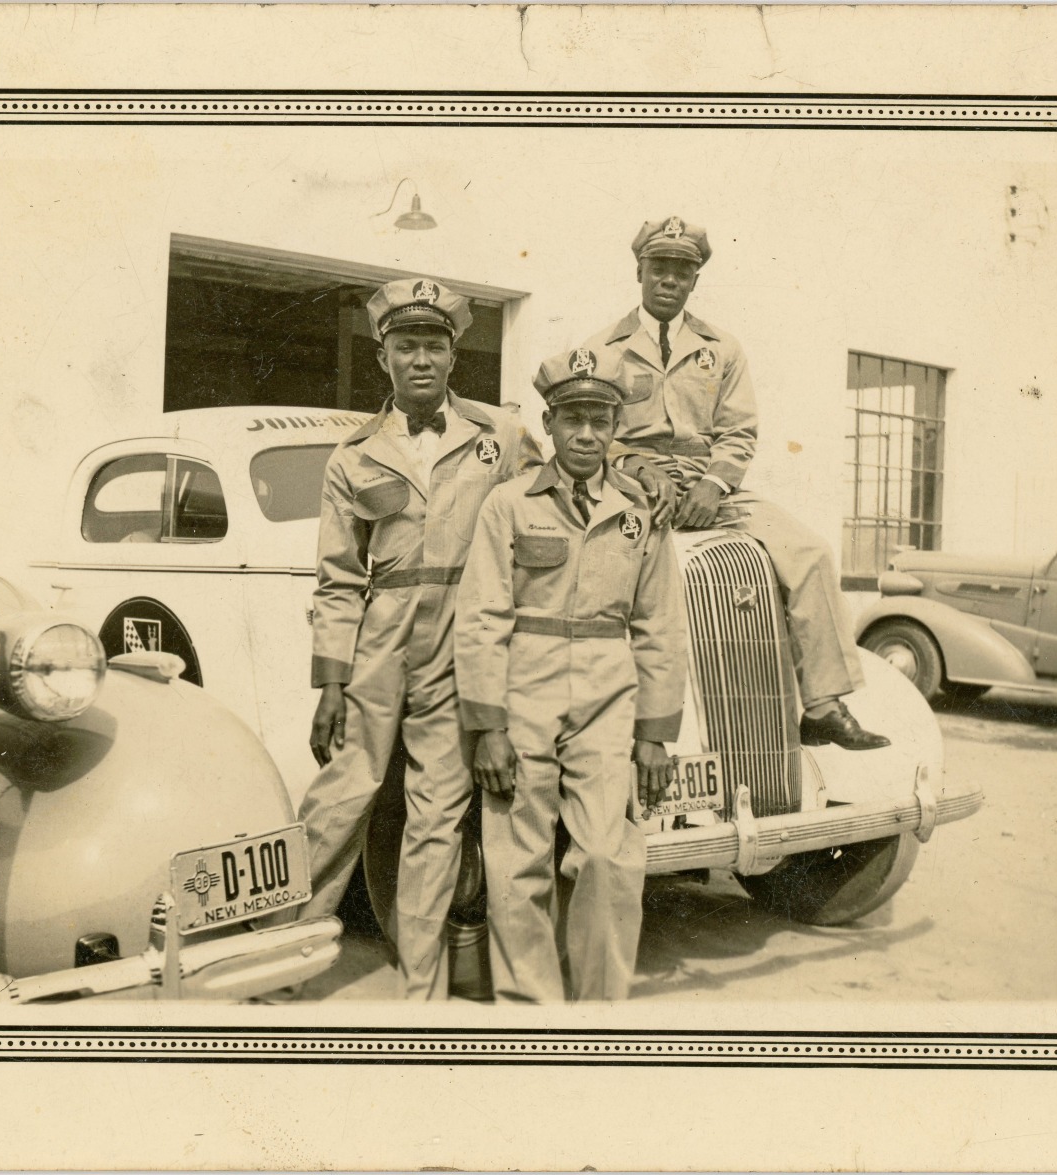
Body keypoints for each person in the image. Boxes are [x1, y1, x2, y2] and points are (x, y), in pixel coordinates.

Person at [296, 277, 543, 1000]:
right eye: (406, 346)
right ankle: (276, 964)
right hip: (381, 638)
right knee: (342, 795)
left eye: (434, 345)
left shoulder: (499, 436)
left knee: (438, 812)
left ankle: (421, 990)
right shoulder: (352, 456)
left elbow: (540, 517)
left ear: (452, 355)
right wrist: (331, 684)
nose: (421, 359)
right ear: (383, 358)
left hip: (464, 635)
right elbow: (339, 578)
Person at [583, 216, 890, 751]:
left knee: (809, 550)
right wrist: (635, 467)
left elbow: (739, 431)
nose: (670, 280)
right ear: (639, 270)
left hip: (707, 481)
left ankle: (821, 705)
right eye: (660, 267)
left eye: (683, 271)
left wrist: (715, 485)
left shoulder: (721, 348)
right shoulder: (601, 349)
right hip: (633, 482)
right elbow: (592, 433)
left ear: (696, 281)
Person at [456, 347, 687, 1002]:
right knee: (515, 861)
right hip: (521, 687)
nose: (586, 434)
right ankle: (530, 1012)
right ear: (549, 424)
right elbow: (480, 616)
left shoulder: (639, 516)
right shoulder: (506, 505)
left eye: (600, 420)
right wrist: (487, 725)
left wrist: (654, 732)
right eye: (572, 419)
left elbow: (659, 626)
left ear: (616, 428)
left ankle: (598, 1016)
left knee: (609, 857)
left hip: (608, 695)